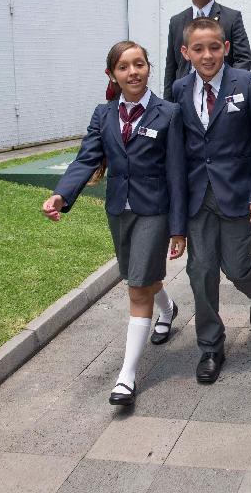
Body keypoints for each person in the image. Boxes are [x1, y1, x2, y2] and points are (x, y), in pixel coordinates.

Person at [42, 41, 187, 406]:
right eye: (124, 67)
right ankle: (168, 310)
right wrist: (62, 195)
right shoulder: (103, 114)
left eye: (139, 64)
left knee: (137, 287)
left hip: (153, 211)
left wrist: (178, 227)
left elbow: (177, 174)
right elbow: (86, 159)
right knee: (137, 276)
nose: (133, 72)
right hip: (118, 210)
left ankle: (127, 377)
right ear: (113, 74)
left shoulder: (168, 113)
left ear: (149, 68)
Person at [172, 17, 251, 384]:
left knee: (235, 267)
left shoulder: (245, 83)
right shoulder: (179, 89)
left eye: (214, 47)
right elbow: (176, 151)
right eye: (198, 49)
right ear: (186, 52)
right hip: (197, 197)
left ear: (226, 48)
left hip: (236, 194)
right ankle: (211, 347)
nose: (207, 54)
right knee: (201, 272)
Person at [164, 0, 251, 100]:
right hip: (186, 95)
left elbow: (243, 59)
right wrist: (168, 102)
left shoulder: (231, 17)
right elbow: (171, 66)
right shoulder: (176, 21)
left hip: (222, 92)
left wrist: (232, 89)